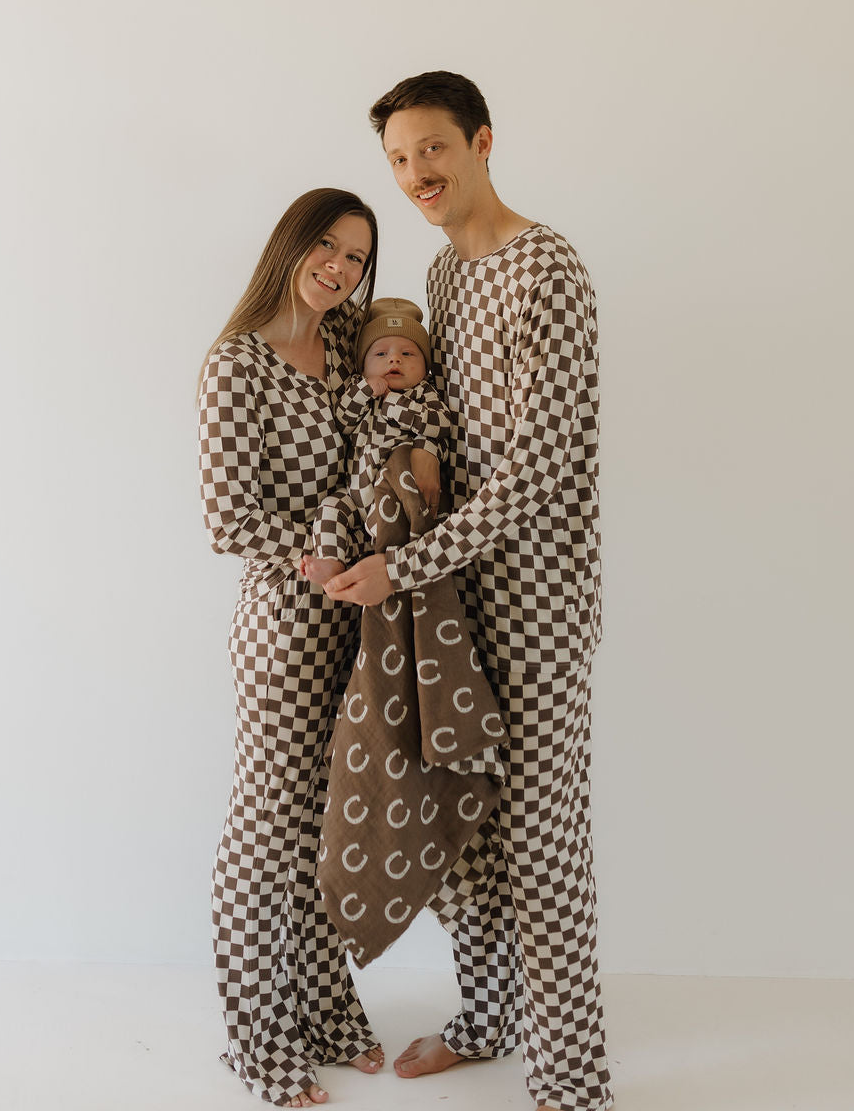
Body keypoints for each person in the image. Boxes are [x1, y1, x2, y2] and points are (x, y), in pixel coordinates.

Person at [326, 74, 614, 1111]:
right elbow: (434, 433)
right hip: (448, 606)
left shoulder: (550, 269)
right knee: (462, 831)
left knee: (541, 840)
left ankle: (573, 1081)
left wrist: (401, 564)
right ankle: (490, 1017)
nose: (416, 176)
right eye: (398, 160)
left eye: (433, 151)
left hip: (533, 597)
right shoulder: (442, 278)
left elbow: (536, 473)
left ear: (482, 141)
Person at [197, 187, 385, 1110]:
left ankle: (324, 1008)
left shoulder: (349, 341)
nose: (340, 270)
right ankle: (255, 1038)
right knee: (266, 829)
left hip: (358, 620)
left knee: (325, 827)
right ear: (291, 245)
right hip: (285, 624)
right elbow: (229, 519)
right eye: (328, 248)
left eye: (356, 257)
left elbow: (402, 374)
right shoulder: (237, 364)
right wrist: (321, 561)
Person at [302, 296, 451, 590]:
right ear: (363, 365)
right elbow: (343, 421)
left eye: (408, 354)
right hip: (354, 490)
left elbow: (440, 424)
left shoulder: (422, 393)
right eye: (381, 354)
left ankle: (393, 571)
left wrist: (394, 405)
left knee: (387, 527)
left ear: (425, 367)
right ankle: (331, 560)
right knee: (331, 508)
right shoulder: (360, 390)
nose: (394, 359)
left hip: (389, 492)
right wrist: (364, 391)